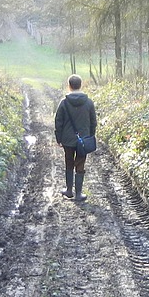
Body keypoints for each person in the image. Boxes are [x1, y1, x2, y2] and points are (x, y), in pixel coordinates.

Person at [54, 74, 96, 203]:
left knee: (69, 162)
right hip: (83, 140)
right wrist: (90, 135)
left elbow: (58, 122)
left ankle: (68, 190)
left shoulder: (64, 102)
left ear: (69, 86)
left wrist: (59, 138)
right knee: (80, 163)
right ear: (80, 85)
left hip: (67, 139)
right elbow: (93, 122)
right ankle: (78, 194)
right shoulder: (89, 102)